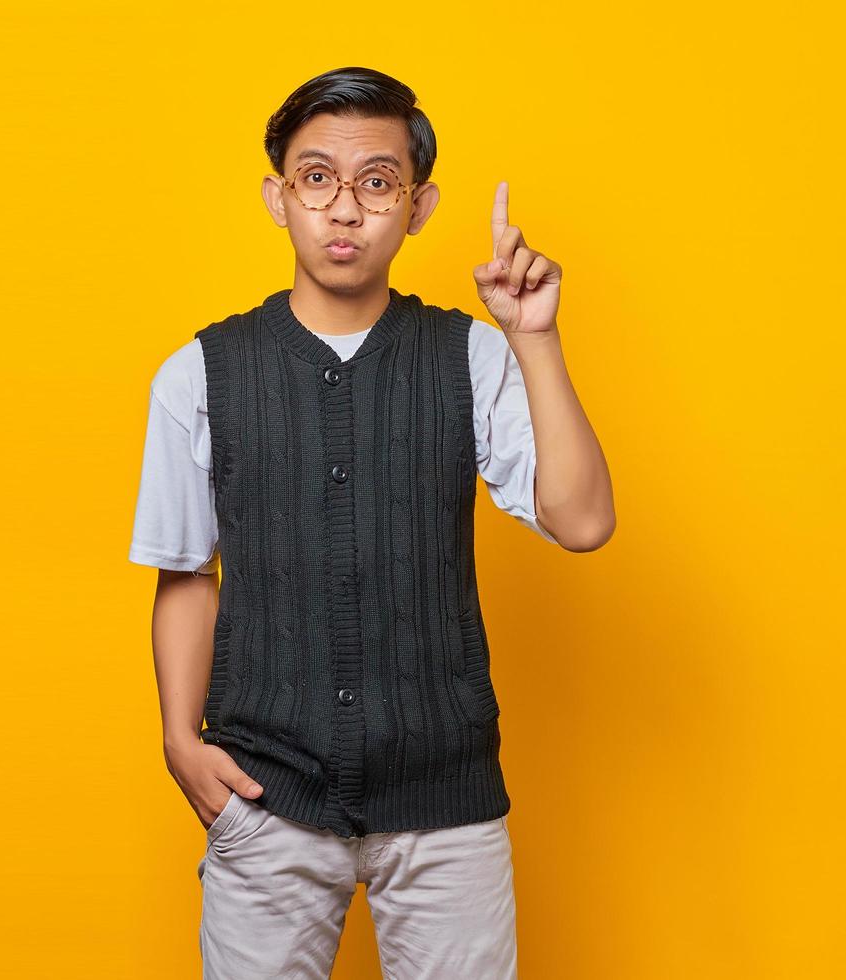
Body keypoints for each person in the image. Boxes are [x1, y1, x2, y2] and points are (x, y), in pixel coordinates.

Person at [129, 66, 616, 979]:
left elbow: (583, 520)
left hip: (447, 807)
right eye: (317, 178)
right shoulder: (198, 373)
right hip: (263, 800)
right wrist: (179, 744)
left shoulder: (471, 356)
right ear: (278, 197)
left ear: (418, 206)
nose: (344, 209)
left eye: (376, 182)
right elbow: (186, 570)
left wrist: (534, 338)